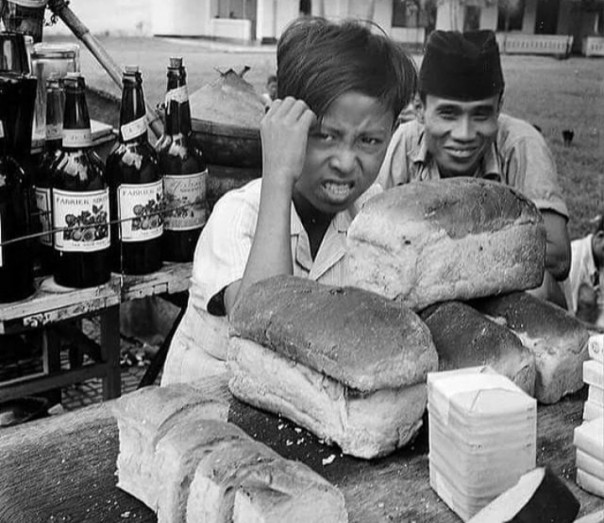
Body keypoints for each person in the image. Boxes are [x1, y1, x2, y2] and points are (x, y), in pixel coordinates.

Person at [161, 16, 417, 385]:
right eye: (324, 136)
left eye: (369, 141)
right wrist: (278, 173)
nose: (345, 163)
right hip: (204, 417)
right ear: (282, 125)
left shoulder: (371, 215)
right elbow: (266, 325)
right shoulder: (237, 215)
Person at [377, 30, 571, 306]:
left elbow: (557, 257)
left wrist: (437, 256)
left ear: (499, 107)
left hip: (505, 298)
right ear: (420, 108)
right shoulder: (406, 141)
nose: (465, 133)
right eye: (448, 113)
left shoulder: (521, 144)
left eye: (481, 114)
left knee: (536, 290)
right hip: (430, 299)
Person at [562, 215, 604, 327]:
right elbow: (569, 315)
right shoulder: (575, 259)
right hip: (569, 324)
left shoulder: (599, 259)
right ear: (600, 237)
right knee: (587, 296)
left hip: (590, 322)